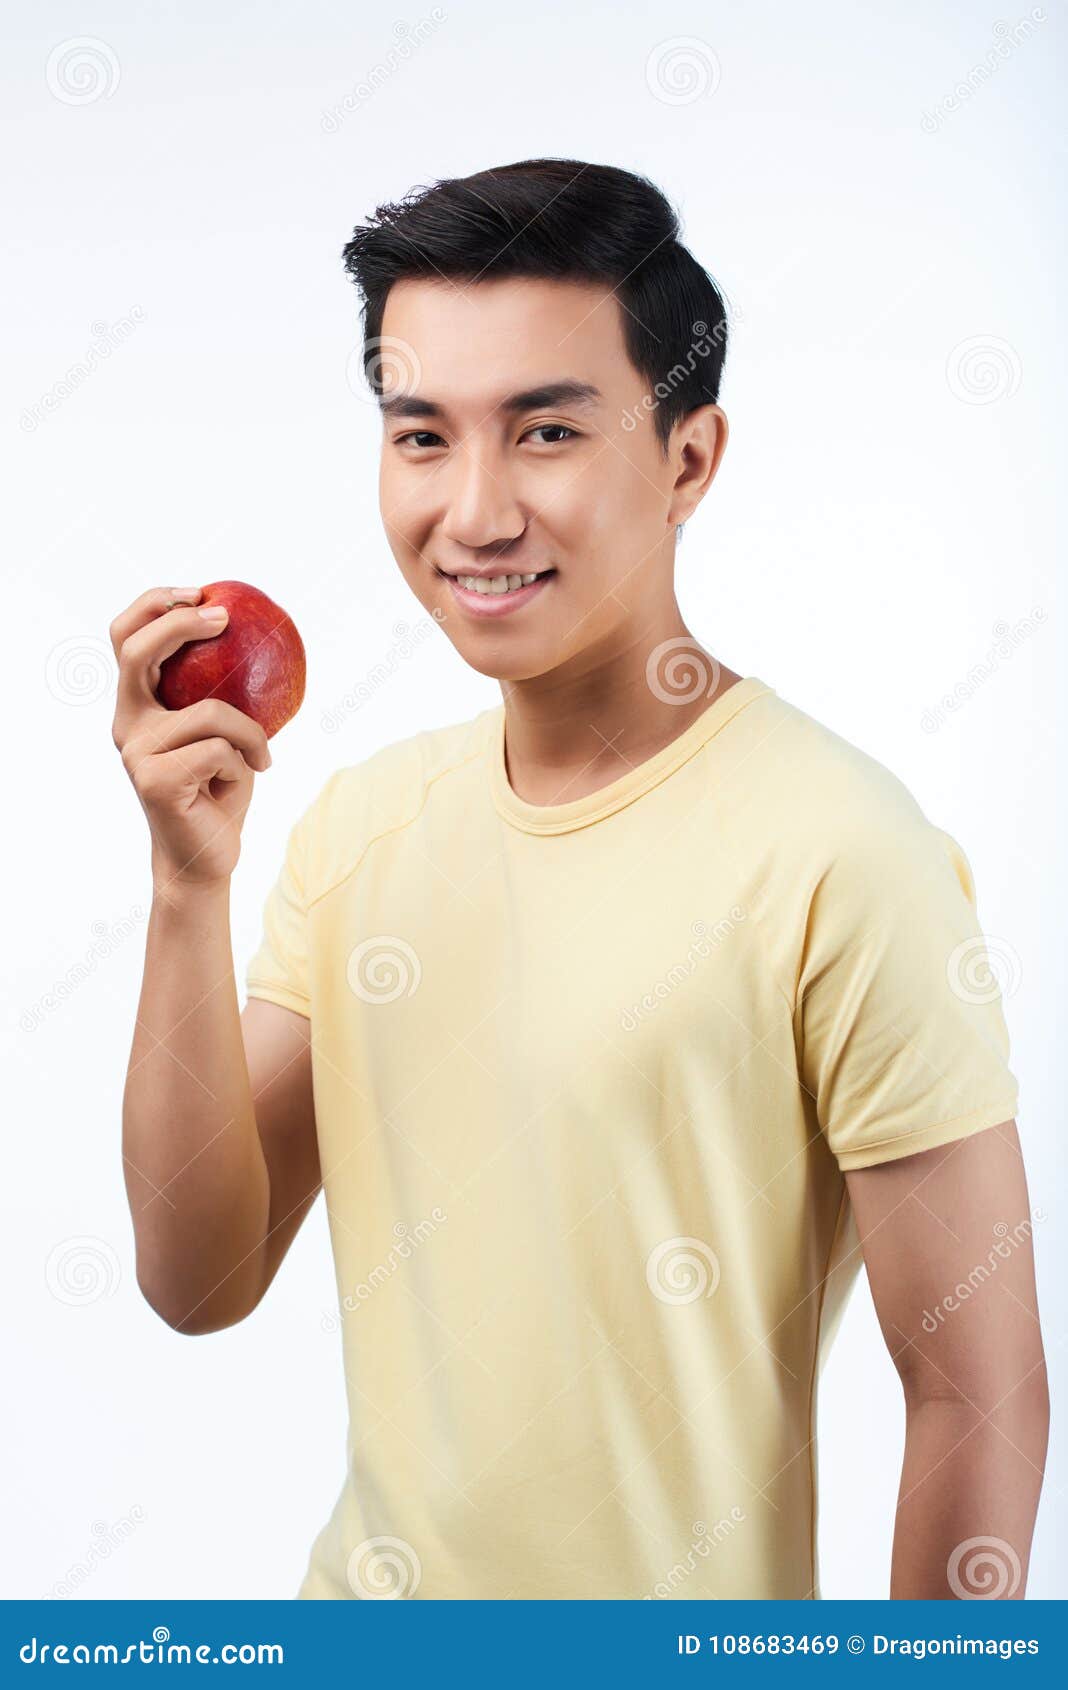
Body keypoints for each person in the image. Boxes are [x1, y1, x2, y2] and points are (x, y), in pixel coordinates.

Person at [110, 158, 1048, 1601]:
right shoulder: (360, 827)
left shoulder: (845, 851)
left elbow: (978, 1394)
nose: (474, 511)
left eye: (544, 430)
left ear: (688, 459)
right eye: (421, 436)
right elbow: (198, 1279)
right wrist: (187, 887)